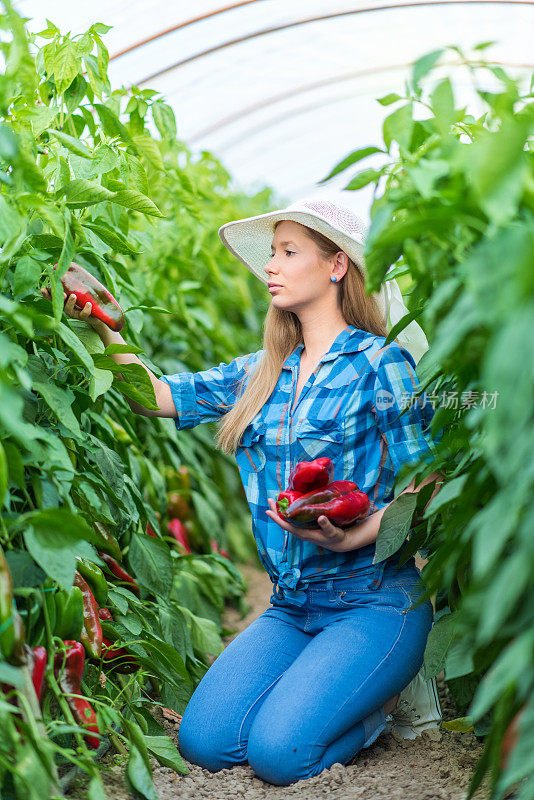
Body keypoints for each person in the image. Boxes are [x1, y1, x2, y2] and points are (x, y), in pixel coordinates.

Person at [42, 193, 443, 786]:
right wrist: (108, 324)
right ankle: (328, 688)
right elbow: (157, 396)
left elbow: (429, 484)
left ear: (336, 266)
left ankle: (373, 713)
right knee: (204, 741)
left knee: (280, 755)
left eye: (288, 251)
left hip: (375, 600)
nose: (271, 267)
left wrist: (362, 530)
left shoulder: (382, 365)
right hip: (292, 606)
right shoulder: (262, 370)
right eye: (271, 254)